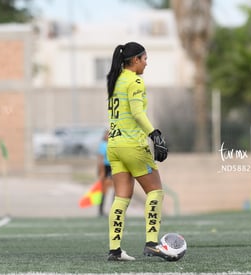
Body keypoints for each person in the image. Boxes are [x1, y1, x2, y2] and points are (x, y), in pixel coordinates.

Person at [105, 41, 170, 261]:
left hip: (114, 146)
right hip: (132, 145)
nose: (146, 63)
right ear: (135, 60)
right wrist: (155, 134)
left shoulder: (115, 80)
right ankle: (152, 243)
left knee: (121, 197)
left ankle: (115, 249)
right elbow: (137, 113)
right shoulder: (135, 81)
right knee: (155, 192)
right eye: (144, 59)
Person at [97, 129, 113, 217]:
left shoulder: (113, 144)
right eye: (107, 134)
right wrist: (102, 172)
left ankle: (116, 210)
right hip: (106, 168)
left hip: (114, 168)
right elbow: (100, 159)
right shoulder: (103, 145)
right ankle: (101, 210)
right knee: (104, 190)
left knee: (117, 189)